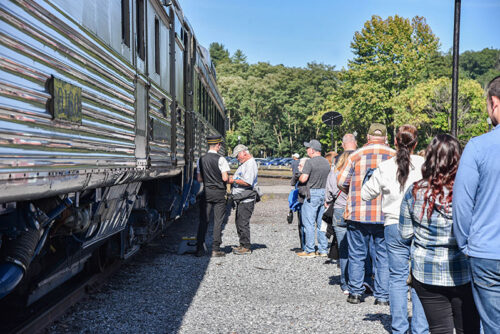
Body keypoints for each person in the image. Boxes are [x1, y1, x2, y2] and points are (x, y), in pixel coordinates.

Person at [400, 134, 480, 334]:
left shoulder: (415, 191)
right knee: (468, 327)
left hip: (427, 271)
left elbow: (405, 233)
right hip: (464, 269)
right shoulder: (470, 190)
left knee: (438, 328)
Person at [361, 125, 428, 334]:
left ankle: (399, 327)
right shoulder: (423, 164)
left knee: (397, 278)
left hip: (393, 225)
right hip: (420, 225)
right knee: (420, 278)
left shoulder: (385, 166)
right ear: (416, 144)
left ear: (395, 143)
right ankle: (420, 328)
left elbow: (365, 194)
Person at [453, 75, 500, 334]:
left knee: (492, 326)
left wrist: (465, 244)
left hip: (486, 252)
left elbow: (462, 203)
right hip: (484, 251)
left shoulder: (478, 147)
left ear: (494, 102)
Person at [337, 123, 395, 305]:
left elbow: (341, 181)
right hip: (385, 214)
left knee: (356, 254)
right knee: (383, 256)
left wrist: (354, 192)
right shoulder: (395, 156)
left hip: (358, 212)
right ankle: (382, 297)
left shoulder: (355, 155)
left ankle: (355, 293)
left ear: (367, 137)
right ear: (386, 138)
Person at [325, 134, 357, 295]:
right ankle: (358, 281)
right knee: (358, 248)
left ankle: (345, 283)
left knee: (343, 247)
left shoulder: (334, 173)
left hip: (338, 209)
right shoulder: (357, 172)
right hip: (355, 210)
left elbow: (328, 195)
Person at [195, 135, 230, 257]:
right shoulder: (221, 159)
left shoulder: (201, 159)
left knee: (203, 220)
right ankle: (215, 249)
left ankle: (199, 248)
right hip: (219, 193)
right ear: (218, 145)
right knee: (218, 221)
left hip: (206, 192)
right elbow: (225, 178)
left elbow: (199, 179)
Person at [297, 139, 330, 257]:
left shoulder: (310, 163)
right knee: (322, 223)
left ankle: (310, 250)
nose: (306, 150)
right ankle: (323, 250)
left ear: (312, 150)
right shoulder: (327, 162)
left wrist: (299, 177)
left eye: (307, 148)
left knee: (309, 223)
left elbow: (304, 178)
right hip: (324, 194)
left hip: (312, 194)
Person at [228, 144, 258, 255]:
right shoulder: (245, 164)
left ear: (244, 153)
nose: (237, 158)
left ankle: (246, 247)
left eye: (237, 156)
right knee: (239, 222)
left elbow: (247, 182)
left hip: (247, 199)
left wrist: (232, 181)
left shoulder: (250, 164)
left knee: (243, 223)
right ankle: (242, 244)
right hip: (242, 199)